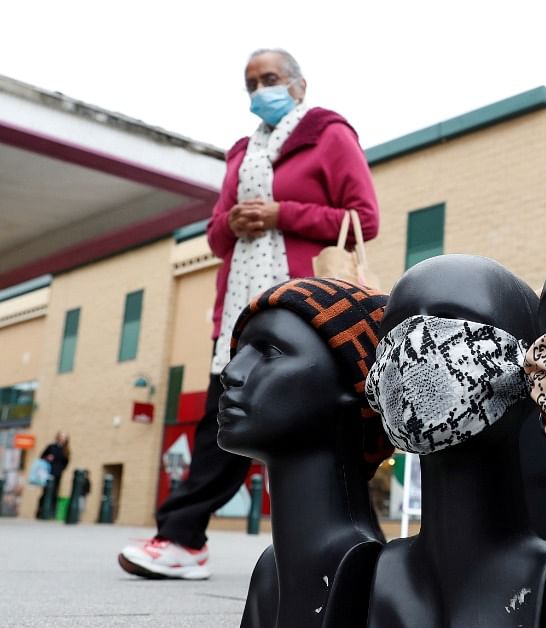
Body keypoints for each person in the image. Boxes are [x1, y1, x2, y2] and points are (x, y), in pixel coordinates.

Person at [118, 48, 379, 580]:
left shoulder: (328, 135)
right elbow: (216, 235)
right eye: (251, 83)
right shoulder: (241, 152)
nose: (261, 90)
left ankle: (186, 536)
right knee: (224, 417)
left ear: (299, 86)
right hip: (241, 307)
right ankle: (182, 537)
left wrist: (282, 213)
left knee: (311, 426)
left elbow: (364, 218)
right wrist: (234, 221)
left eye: (271, 79)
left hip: (302, 309)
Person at [36, 431, 69, 517]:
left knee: (55, 492)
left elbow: (66, 462)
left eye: (64, 437)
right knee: (46, 491)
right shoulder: (51, 447)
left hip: (58, 474)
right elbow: (42, 457)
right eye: (61, 436)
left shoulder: (66, 450)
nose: (63, 439)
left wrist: (61, 469)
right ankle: (41, 511)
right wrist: (48, 458)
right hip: (48, 472)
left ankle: (51, 512)